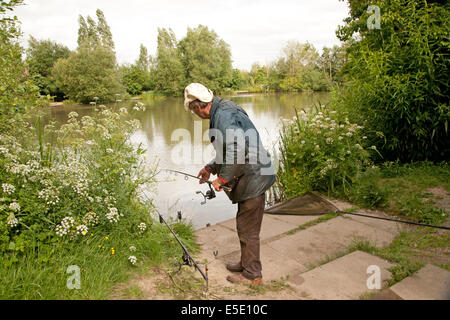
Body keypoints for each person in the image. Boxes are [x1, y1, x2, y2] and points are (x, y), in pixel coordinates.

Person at [184, 83, 276, 285]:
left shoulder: (223, 116)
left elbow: (237, 150)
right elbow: (229, 149)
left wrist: (222, 179)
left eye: (192, 110)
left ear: (198, 106)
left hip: (254, 177)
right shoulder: (223, 109)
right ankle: (245, 262)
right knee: (244, 224)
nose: (195, 114)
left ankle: (252, 274)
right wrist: (210, 168)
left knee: (248, 228)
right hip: (253, 174)